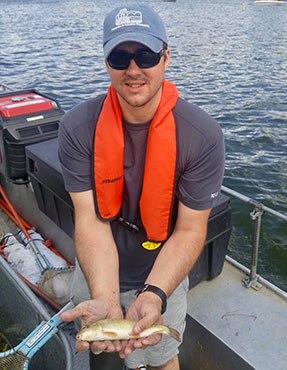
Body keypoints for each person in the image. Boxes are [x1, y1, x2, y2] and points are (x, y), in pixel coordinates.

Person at [58, 4, 225, 370]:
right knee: (101, 360)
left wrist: (154, 294)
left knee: (163, 358)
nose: (133, 70)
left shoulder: (202, 136)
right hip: (96, 271)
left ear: (166, 57)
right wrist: (103, 295)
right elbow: (90, 221)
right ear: (106, 64)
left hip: (161, 273)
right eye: (120, 57)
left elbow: (190, 229)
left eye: (145, 55)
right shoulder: (76, 127)